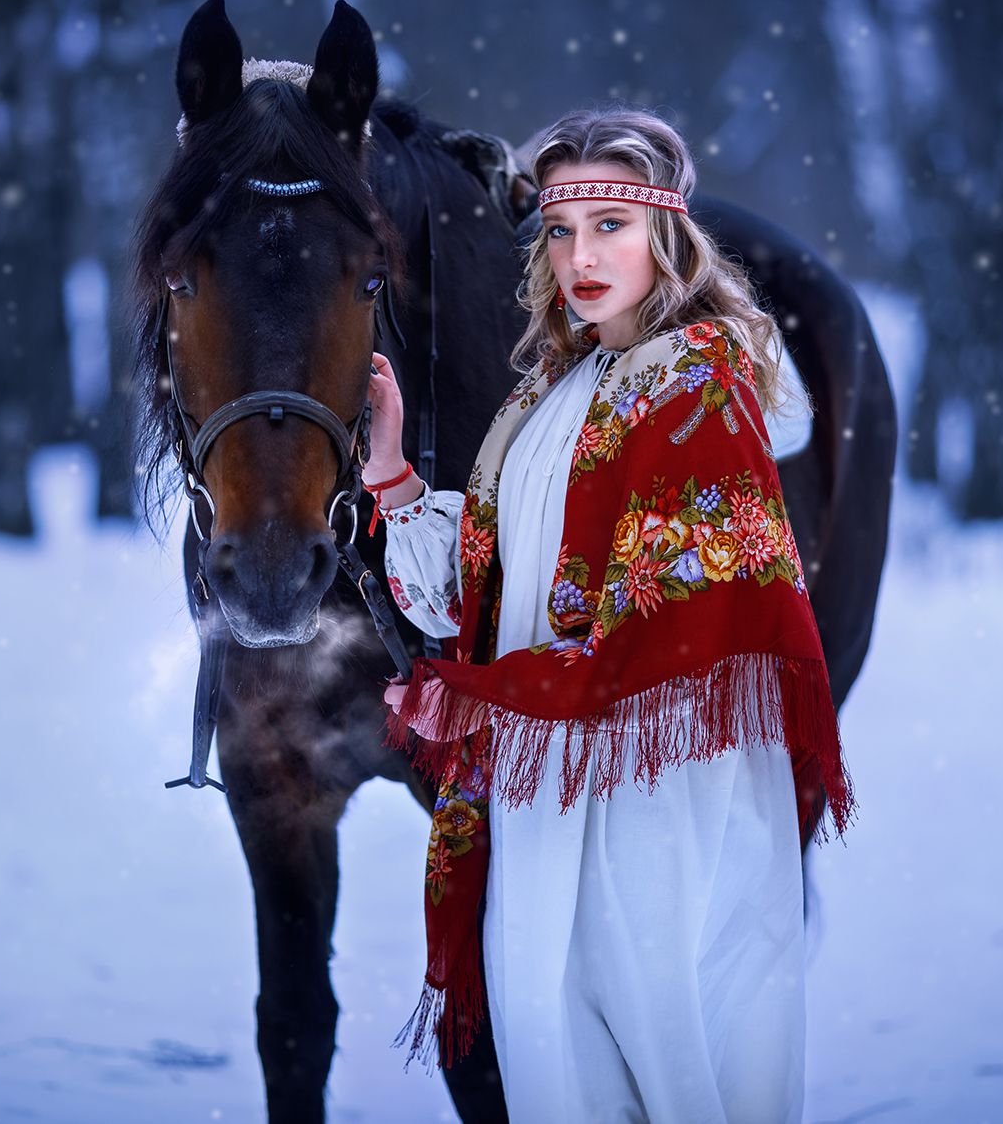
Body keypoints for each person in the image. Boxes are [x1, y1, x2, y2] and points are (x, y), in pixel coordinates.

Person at [362, 103, 856, 1121]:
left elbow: (671, 633)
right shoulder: (545, 393)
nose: (580, 254)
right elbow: (488, 598)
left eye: (609, 226)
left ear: (664, 233)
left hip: (658, 801)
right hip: (548, 796)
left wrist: (491, 697)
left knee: (669, 1049)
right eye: (559, 228)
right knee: (552, 1045)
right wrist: (397, 481)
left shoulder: (701, 384)